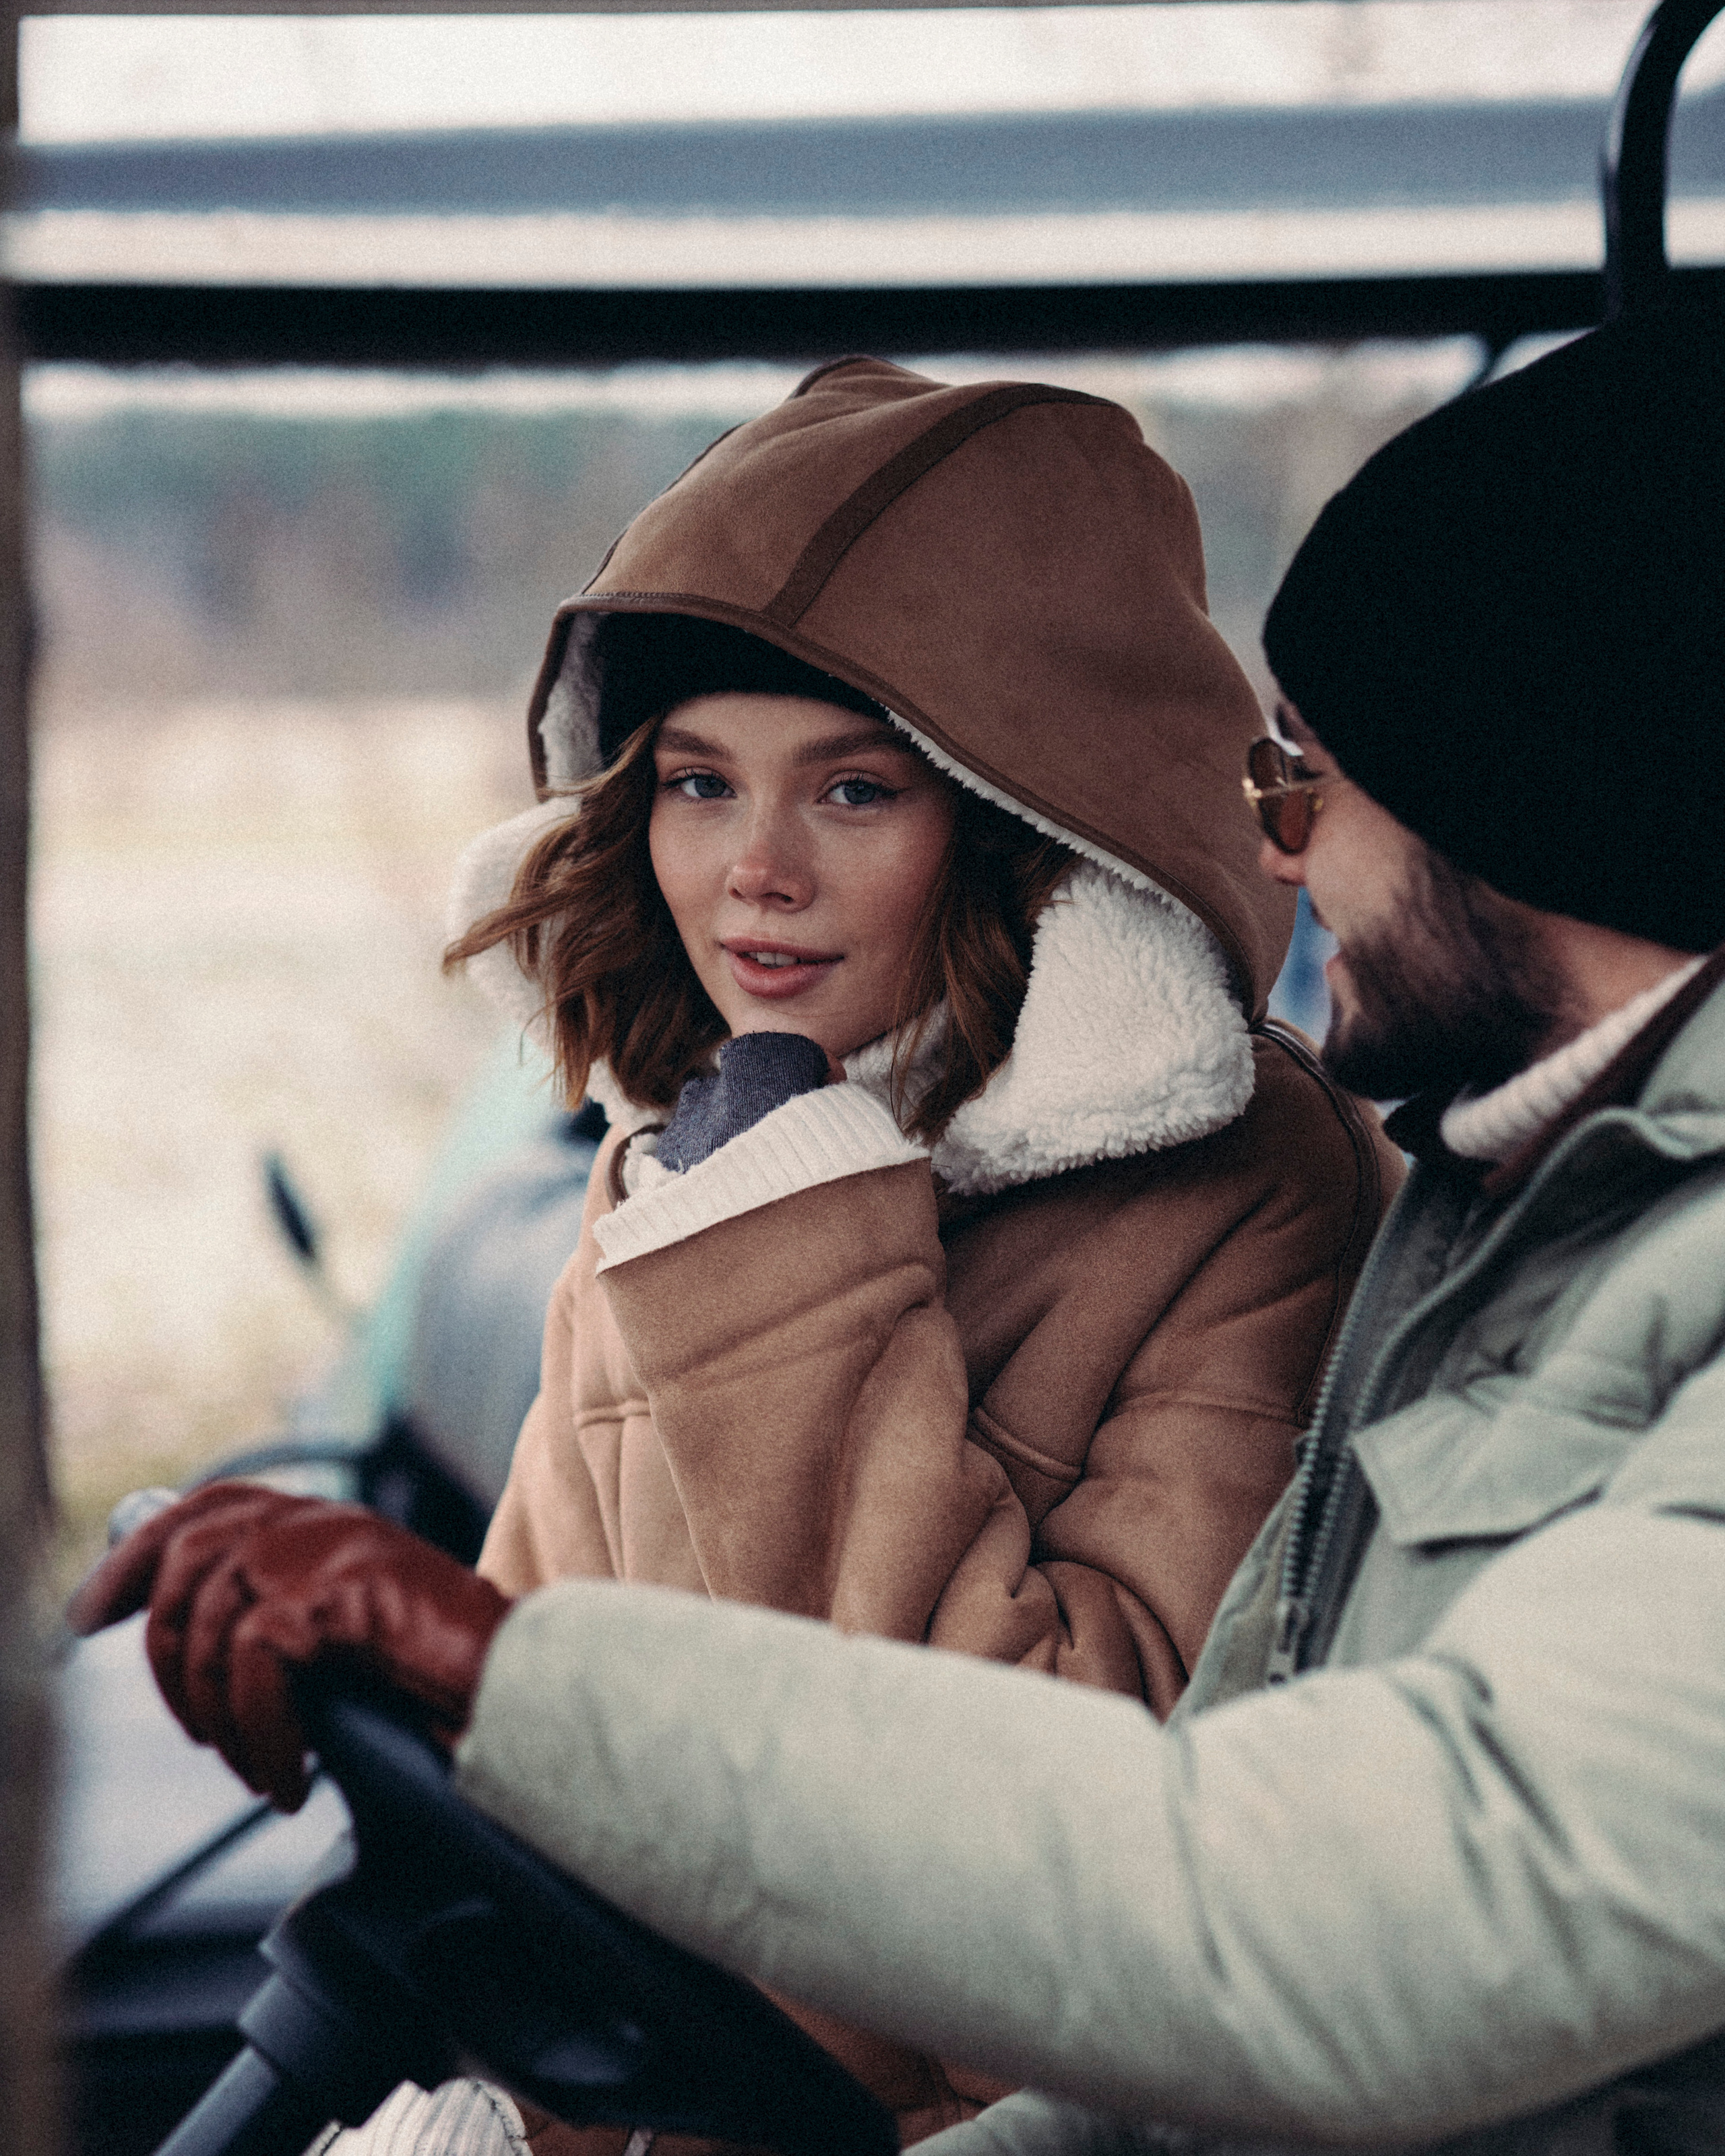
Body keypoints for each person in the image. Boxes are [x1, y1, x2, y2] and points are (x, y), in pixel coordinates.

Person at [71, 304, 1725, 2155]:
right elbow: (1177, 2034)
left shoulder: (1305, 1200)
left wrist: (780, 1274)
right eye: (693, 780)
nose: (1275, 850)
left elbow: (1220, 1896)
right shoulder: (1531, 1209)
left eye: (1309, 775)